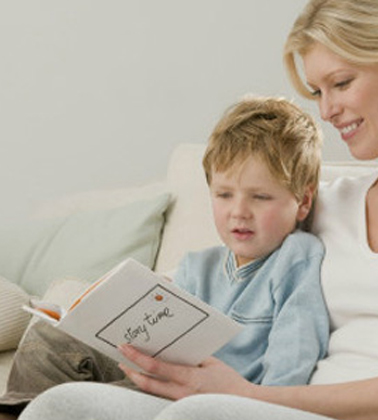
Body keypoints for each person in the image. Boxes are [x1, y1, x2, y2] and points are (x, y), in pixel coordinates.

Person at [17, 1, 378, 420]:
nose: (327, 110)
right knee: (62, 407)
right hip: (278, 410)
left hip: (334, 411)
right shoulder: (330, 202)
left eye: (341, 83)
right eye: (317, 91)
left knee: (203, 415)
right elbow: (229, 276)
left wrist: (253, 397)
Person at [0, 96, 329, 418]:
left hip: (209, 400)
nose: (239, 211)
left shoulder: (295, 257)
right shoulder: (197, 266)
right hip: (153, 374)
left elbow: (294, 355)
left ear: (303, 202)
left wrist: (262, 405)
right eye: (224, 195)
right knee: (49, 337)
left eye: (260, 197)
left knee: (75, 401)